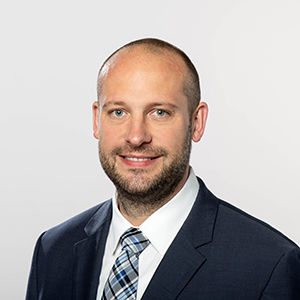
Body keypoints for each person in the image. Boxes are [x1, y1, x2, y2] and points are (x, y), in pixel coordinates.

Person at [26, 38, 300, 300]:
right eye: (118, 112)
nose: (136, 136)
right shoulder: (53, 250)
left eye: (159, 112)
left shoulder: (269, 266)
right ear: (97, 120)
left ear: (197, 122)